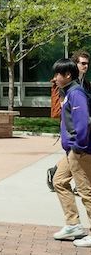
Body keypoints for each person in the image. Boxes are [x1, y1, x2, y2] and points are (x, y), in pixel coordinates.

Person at [51, 58, 91, 247]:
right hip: (72, 150)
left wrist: (78, 147)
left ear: (67, 75)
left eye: (58, 74)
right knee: (58, 181)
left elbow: (82, 122)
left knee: (86, 191)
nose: (55, 77)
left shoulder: (76, 94)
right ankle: (73, 224)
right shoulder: (67, 92)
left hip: (79, 150)